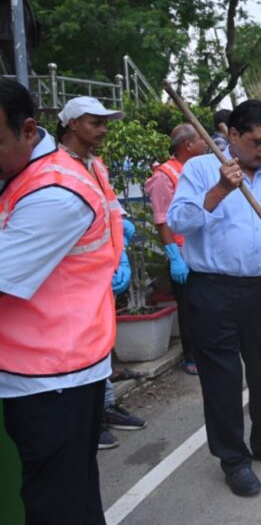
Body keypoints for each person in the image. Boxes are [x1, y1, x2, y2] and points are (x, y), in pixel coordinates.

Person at [0, 80, 122, 525]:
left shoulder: (56, 190)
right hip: (59, 363)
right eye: (95, 122)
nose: (101, 132)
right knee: (75, 503)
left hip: (51, 375)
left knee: (55, 517)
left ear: (29, 129)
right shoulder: (42, 172)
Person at [168, 100, 261, 497]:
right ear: (232, 135)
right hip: (212, 290)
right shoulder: (198, 170)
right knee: (223, 378)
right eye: (258, 142)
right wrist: (220, 190)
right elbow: (178, 221)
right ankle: (233, 458)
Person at [57, 97, 146, 449]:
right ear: (73, 124)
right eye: (95, 122)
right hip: (72, 281)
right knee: (77, 350)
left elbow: (110, 207)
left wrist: (120, 244)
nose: (104, 130)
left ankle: (104, 407)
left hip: (100, 275)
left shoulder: (95, 164)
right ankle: (87, 422)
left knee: (100, 344)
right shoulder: (59, 167)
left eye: (105, 123)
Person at [146, 124, 206, 376]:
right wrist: (174, 255)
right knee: (189, 306)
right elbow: (162, 219)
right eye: (200, 138)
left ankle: (205, 351)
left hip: (199, 247)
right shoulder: (164, 175)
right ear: (188, 146)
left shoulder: (193, 170)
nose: (205, 142)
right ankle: (190, 355)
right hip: (181, 250)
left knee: (203, 304)